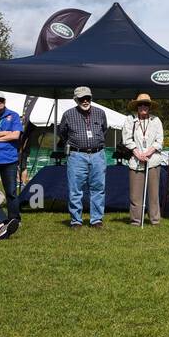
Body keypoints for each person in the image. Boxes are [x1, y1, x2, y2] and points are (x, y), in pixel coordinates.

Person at [57, 86, 108, 230]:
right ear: (76, 99)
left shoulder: (100, 113)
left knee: (98, 188)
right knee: (75, 189)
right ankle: (76, 221)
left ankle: (97, 220)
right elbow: (63, 133)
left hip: (98, 154)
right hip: (76, 155)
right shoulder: (68, 114)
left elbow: (104, 131)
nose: (85, 101)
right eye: (82, 99)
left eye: (88, 98)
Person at [124, 92, 165, 226]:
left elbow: (159, 141)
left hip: (153, 160)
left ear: (149, 106)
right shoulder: (130, 119)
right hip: (135, 161)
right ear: (136, 106)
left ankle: (155, 220)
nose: (143, 107)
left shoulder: (156, 120)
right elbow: (127, 139)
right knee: (135, 194)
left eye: (146, 104)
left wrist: (149, 152)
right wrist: (137, 153)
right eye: (140, 104)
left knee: (153, 193)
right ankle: (136, 220)